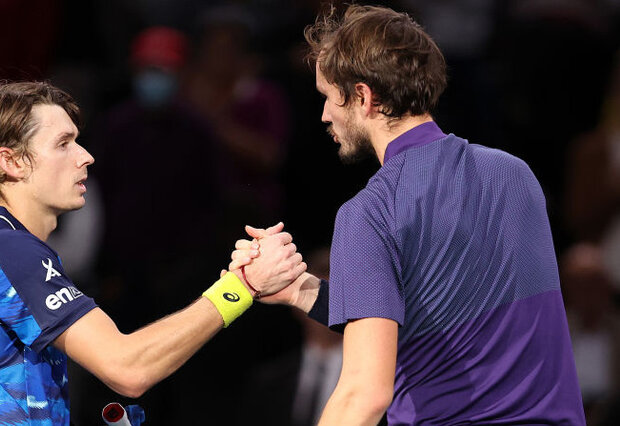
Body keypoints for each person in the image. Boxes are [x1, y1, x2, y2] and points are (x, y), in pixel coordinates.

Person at [231, 5, 584, 424]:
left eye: (328, 96)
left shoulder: (369, 213)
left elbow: (364, 393)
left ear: (363, 97)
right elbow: (434, 316)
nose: (324, 115)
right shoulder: (514, 174)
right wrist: (300, 289)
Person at [0, 81, 306, 425]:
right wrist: (241, 288)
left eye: (78, 140)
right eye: (63, 144)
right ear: (10, 162)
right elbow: (128, 368)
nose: (86, 156)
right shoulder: (9, 250)